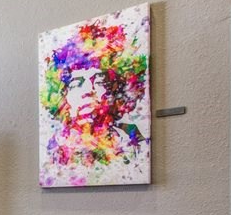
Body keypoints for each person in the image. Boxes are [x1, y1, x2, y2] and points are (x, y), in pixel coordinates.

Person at [40, 18, 150, 186]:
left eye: (99, 83)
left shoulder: (132, 137)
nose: (89, 92)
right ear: (62, 95)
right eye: (77, 84)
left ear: (116, 88)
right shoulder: (55, 148)